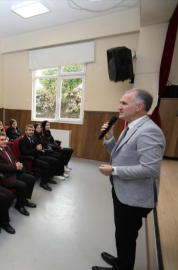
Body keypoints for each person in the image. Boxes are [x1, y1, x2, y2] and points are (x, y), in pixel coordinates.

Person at [93, 89, 165, 270]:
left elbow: (151, 169)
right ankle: (121, 260)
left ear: (139, 107)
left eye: (124, 103)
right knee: (123, 234)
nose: (119, 107)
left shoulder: (149, 131)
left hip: (135, 197)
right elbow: (123, 155)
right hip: (124, 191)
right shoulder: (132, 125)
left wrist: (114, 170)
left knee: (126, 235)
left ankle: (122, 267)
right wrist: (110, 139)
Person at [0, 132, 37, 216]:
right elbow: (0, 167)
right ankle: (19, 205)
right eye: (2, 140)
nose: (4, 141)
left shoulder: (6, 147)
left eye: (5, 139)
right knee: (23, 185)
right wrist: (15, 167)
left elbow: (12, 158)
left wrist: (17, 163)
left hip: (14, 171)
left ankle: (24, 200)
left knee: (31, 179)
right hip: (6, 176)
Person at [19, 124, 66, 191]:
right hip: (32, 159)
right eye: (29, 130)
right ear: (25, 131)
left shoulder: (33, 138)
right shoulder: (23, 140)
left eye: (32, 130)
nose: (31, 131)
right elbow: (25, 152)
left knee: (55, 161)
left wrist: (40, 148)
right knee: (46, 165)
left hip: (39, 155)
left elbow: (38, 147)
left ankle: (48, 177)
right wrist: (36, 149)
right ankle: (43, 183)